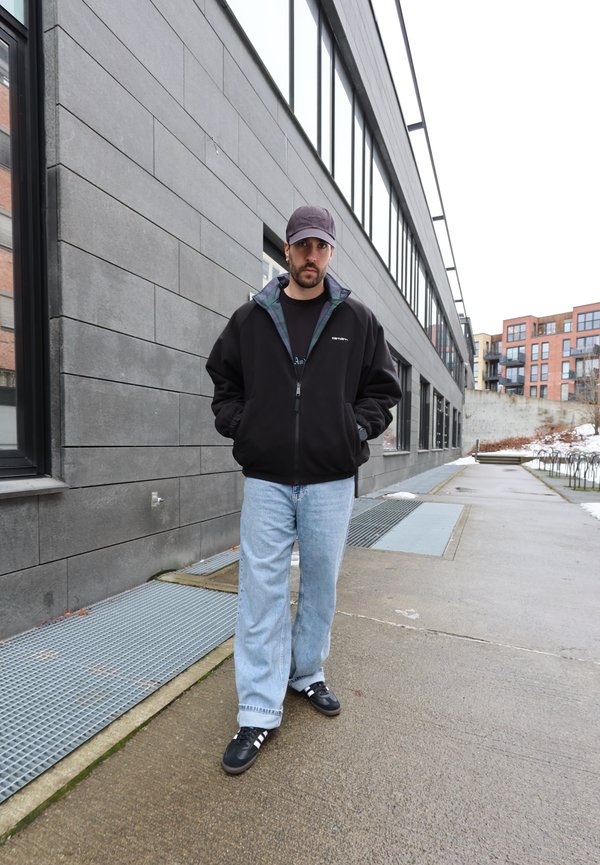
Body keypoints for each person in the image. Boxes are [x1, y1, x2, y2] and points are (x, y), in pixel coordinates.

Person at [206, 205, 401, 774]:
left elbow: (383, 390)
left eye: (320, 247)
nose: (310, 256)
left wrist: (353, 428)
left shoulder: (357, 320)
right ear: (287, 251)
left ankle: (307, 674)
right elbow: (224, 380)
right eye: (301, 246)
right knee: (261, 591)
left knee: (320, 584)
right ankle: (259, 710)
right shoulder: (252, 318)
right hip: (267, 479)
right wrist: (243, 425)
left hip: (329, 478)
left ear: (330, 253)